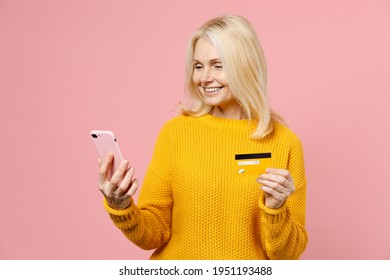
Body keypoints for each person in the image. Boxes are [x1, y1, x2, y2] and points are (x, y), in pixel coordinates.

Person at [97, 15, 308, 260]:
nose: (204, 78)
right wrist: (121, 206)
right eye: (198, 66)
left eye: (218, 65)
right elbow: (153, 234)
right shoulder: (175, 133)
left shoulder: (284, 142)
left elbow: (288, 255)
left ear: (246, 66)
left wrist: (276, 209)